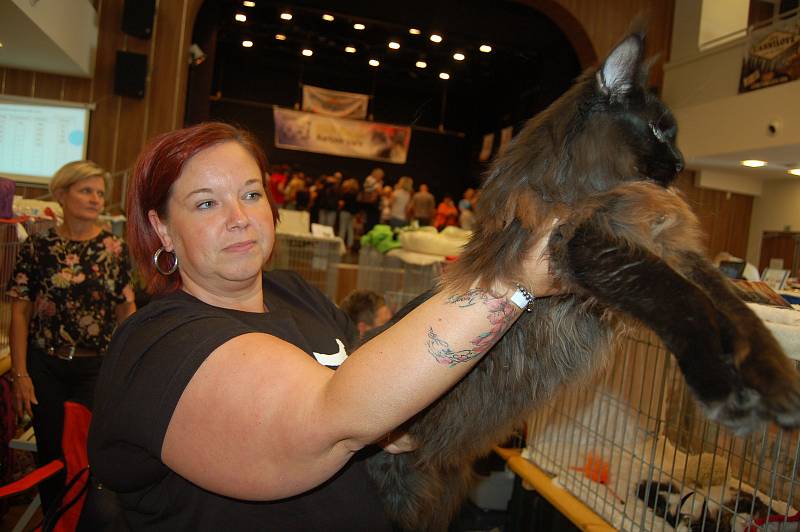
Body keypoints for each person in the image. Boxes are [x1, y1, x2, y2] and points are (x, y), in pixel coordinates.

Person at [87, 122, 559, 530]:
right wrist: (513, 282)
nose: (240, 219)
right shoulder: (156, 344)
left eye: (251, 194)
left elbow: (385, 406)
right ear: (163, 227)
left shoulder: (296, 293)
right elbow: (337, 417)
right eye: (206, 204)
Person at [7, 160, 136, 514]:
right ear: (62, 194)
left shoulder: (114, 249)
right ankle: (53, 521)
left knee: (91, 457)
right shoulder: (37, 247)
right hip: (45, 365)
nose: (96, 199)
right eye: (86, 191)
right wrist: (21, 375)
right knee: (52, 456)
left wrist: (126, 371)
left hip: (95, 369)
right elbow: (19, 312)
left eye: (100, 193)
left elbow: (127, 311)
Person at [338, 177, 360, 250]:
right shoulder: (357, 193)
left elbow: (342, 203)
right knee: (350, 229)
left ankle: (340, 244)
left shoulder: (347, 193)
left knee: (343, 228)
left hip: (345, 211)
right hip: (352, 213)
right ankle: (350, 245)